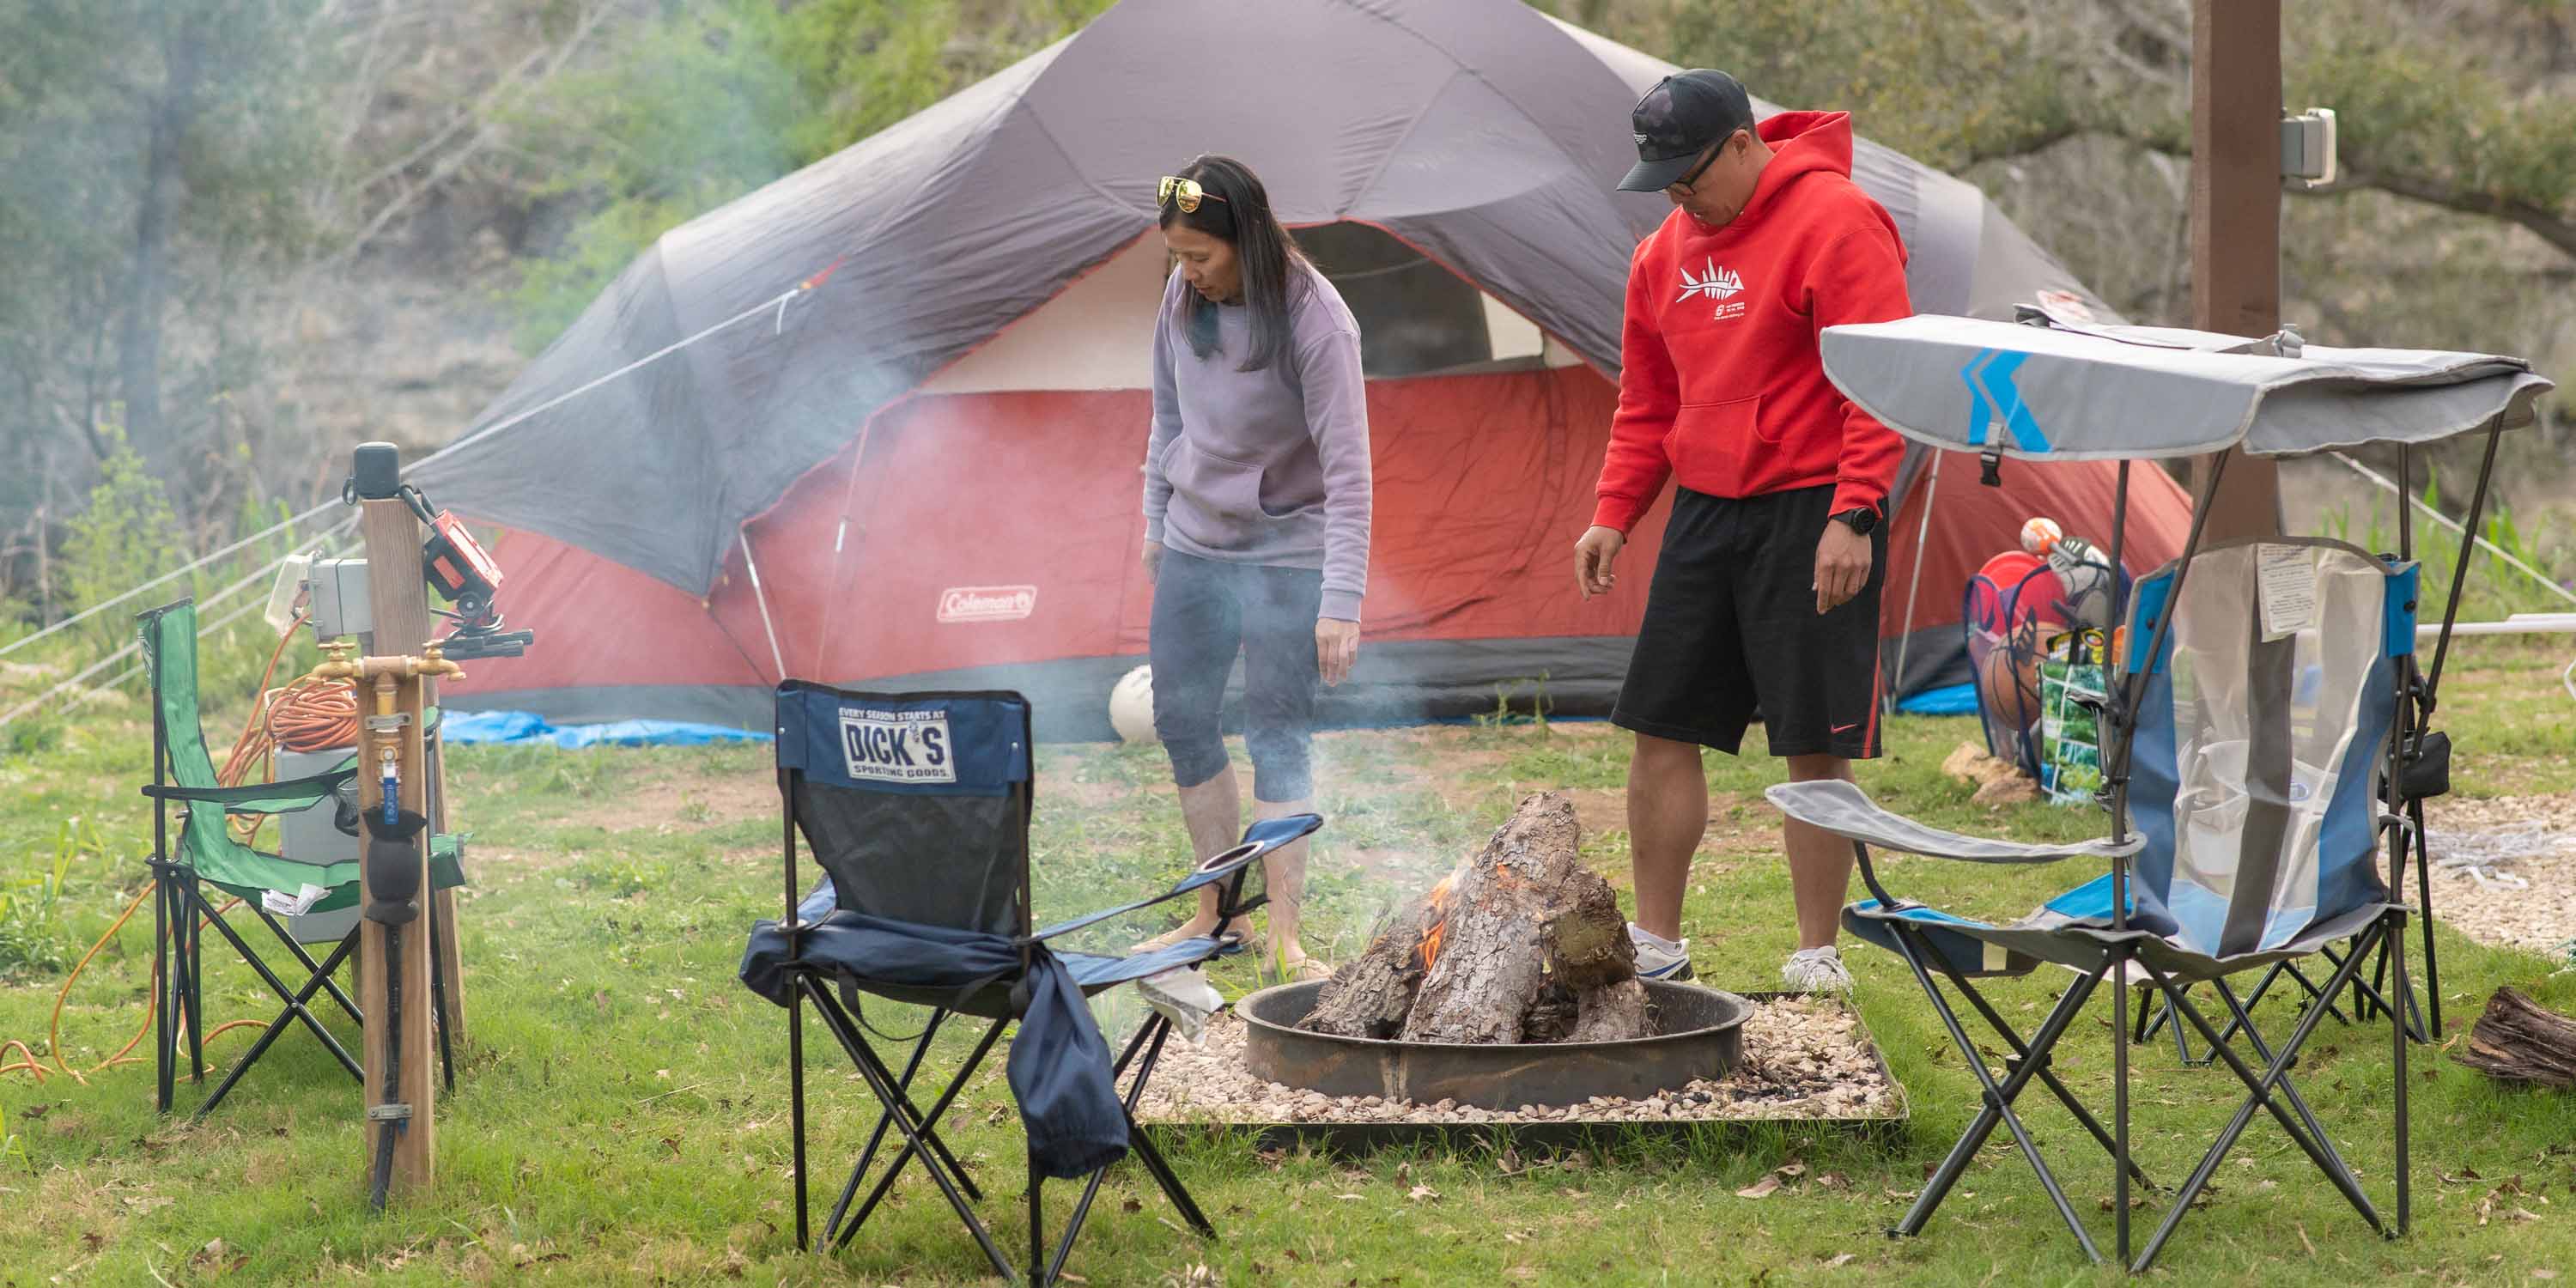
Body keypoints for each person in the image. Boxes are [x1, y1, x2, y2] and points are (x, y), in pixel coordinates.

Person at [1573, 70, 1911, 993]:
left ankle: (1815, 954)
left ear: (1741, 143)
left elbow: (1879, 383)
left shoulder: (1839, 220)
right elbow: (1647, 400)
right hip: (1705, 510)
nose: (1681, 197)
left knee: (1813, 737)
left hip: (1813, 507)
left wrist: (1855, 513)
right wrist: (1615, 511)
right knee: (1661, 725)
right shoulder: (1662, 255)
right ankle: (1657, 941)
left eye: (1690, 175)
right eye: (1663, 183)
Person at [1129, 155, 1370, 981]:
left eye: (1200, 256)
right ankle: (1215, 916)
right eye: (1177, 257)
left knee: (1277, 735)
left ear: (1246, 240)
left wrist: (1340, 600)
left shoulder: (1316, 319)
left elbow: (1349, 471)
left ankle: (1286, 938)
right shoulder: (1181, 297)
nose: (1187, 272)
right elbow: (1166, 419)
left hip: (1288, 557)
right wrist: (1158, 522)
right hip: (1197, 543)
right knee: (1184, 720)